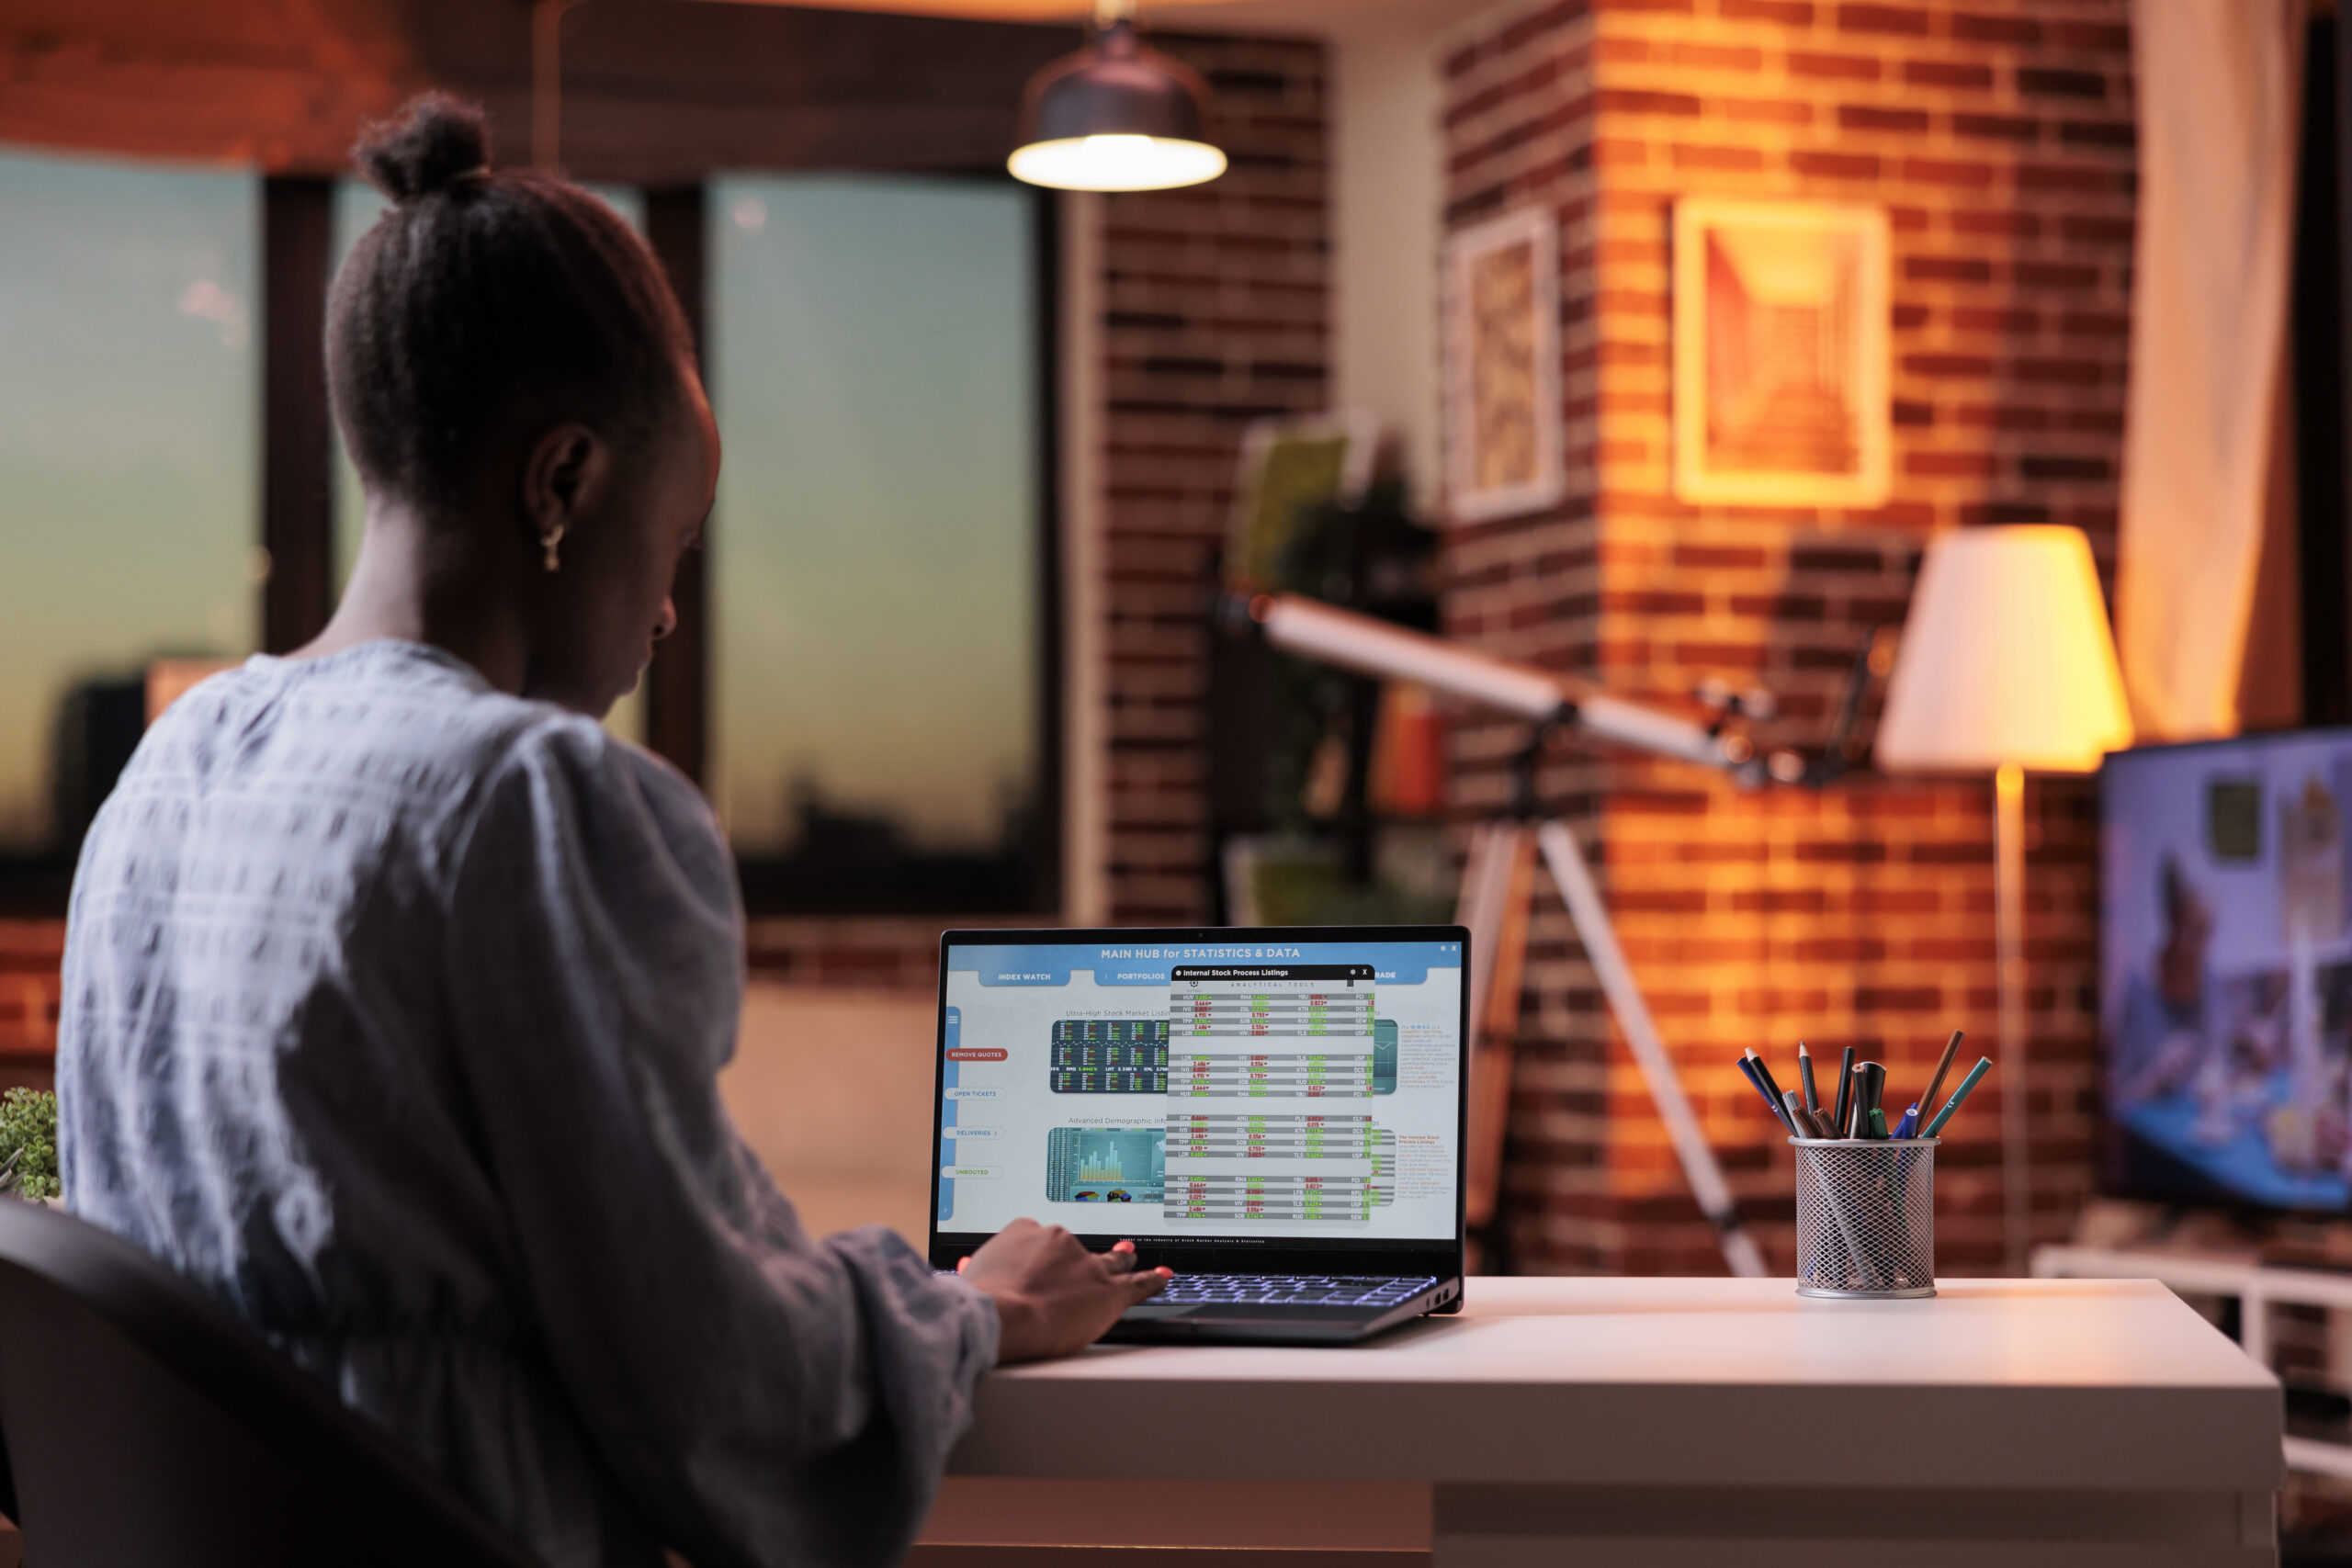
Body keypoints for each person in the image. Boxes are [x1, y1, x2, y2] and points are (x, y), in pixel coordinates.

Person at [55, 94, 1164, 1568]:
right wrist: (974, 1305)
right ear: (564, 481)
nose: (665, 612)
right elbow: (718, 1378)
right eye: (676, 538)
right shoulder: (527, 799)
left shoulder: (165, 773)